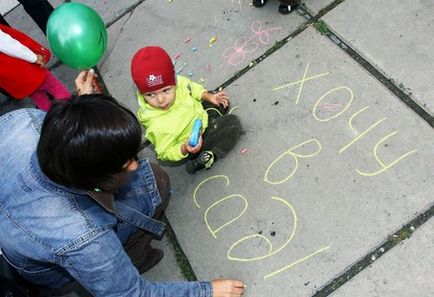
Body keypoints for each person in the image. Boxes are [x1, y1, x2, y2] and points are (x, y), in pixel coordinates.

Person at [0, 70, 245, 297]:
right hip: (50, 267)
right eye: (124, 163)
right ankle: (132, 259)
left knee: (146, 178)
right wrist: (207, 291)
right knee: (155, 182)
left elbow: (67, 138)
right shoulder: (85, 238)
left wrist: (88, 111)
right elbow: (132, 295)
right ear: (92, 181)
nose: (134, 165)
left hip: (20, 233)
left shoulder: (21, 122)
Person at [131, 46, 242, 174]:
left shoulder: (177, 82)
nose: (161, 100)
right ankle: (205, 158)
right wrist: (184, 148)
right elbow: (164, 153)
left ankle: (213, 118)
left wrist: (209, 96)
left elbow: (191, 87)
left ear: (174, 80)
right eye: (150, 95)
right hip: (195, 142)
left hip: (198, 115)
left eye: (166, 90)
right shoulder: (156, 126)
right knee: (233, 124)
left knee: (219, 101)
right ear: (141, 93)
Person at [0, 24, 71, 111]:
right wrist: (33, 57)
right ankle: (71, 113)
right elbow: (9, 45)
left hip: (11, 78)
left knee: (39, 99)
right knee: (56, 89)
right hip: (24, 68)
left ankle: (54, 120)